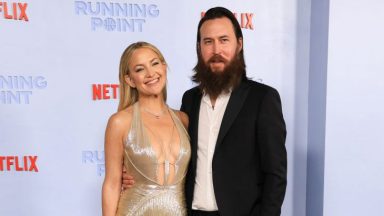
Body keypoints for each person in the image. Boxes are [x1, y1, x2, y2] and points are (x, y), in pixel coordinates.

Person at [124, 7, 287, 216]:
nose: (216, 50)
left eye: (224, 40)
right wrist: (135, 175)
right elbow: (176, 157)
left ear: (239, 44)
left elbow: (275, 175)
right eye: (208, 42)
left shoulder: (263, 99)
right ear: (199, 47)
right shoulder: (189, 100)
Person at [102, 41, 190, 216]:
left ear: (164, 67)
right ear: (130, 80)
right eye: (140, 69)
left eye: (155, 63)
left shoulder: (183, 119)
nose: (151, 73)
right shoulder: (120, 122)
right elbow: (112, 184)